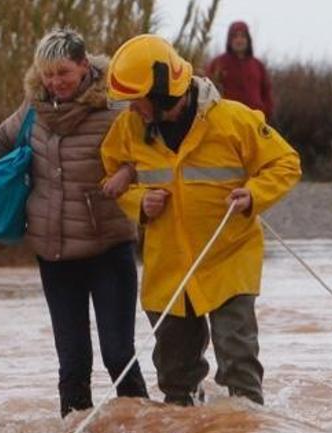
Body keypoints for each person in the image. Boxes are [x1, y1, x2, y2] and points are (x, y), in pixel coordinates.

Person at [0, 30, 149, 417]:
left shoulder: (116, 108)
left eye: (63, 73)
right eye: (47, 73)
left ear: (84, 67)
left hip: (108, 248)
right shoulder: (35, 108)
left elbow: (151, 152)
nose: (54, 82)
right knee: (72, 363)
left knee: (118, 355)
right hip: (54, 254)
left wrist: (129, 171)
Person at [101, 34, 301, 407]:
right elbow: (110, 177)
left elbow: (286, 162)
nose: (131, 109)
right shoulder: (128, 129)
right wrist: (139, 202)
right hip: (169, 270)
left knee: (237, 359)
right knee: (175, 376)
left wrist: (254, 194)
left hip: (229, 259)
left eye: (137, 101)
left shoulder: (233, 120)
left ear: (161, 95)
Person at [205, 21, 274, 120]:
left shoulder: (258, 65)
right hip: (228, 120)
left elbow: (267, 92)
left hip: (255, 121)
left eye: (242, 36)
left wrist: (266, 113)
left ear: (248, 39)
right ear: (230, 40)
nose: (239, 40)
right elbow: (207, 89)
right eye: (235, 36)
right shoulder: (218, 63)